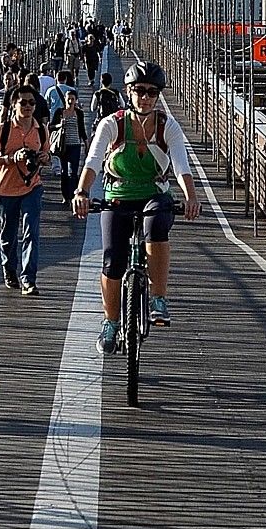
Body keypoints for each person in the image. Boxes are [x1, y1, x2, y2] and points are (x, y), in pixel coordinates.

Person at [74, 60, 199, 353]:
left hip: (154, 193)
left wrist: (191, 197)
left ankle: (158, 297)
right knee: (112, 260)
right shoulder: (112, 124)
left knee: (156, 226)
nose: (145, 97)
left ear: (158, 96)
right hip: (118, 193)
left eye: (152, 92)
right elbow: (92, 160)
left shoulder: (167, 126)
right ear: (128, 92)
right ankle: (111, 322)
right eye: (140, 90)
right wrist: (81, 191)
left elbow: (181, 165)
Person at [0, 84, 50, 294]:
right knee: (9, 234)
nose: (28, 106)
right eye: (23, 102)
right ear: (14, 104)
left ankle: (28, 279)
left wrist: (44, 158)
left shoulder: (41, 130)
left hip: (32, 186)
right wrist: (12, 158)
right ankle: (9, 269)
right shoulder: (2, 130)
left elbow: (47, 155)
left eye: (32, 102)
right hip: (6, 188)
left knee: (31, 231)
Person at [51, 83, 87, 206]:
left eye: (73, 99)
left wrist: (87, 144)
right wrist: (59, 125)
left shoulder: (79, 113)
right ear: (65, 100)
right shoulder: (60, 112)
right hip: (63, 146)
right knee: (64, 172)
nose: (70, 101)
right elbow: (51, 126)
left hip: (75, 145)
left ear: (76, 100)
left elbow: (81, 129)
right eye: (68, 99)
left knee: (73, 172)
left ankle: (73, 195)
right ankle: (65, 196)